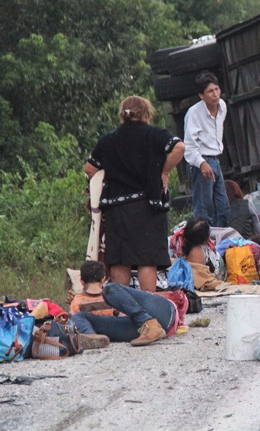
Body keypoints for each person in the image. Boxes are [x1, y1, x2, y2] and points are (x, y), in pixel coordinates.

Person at [85, 96, 184, 292]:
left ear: (123, 114)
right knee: (147, 260)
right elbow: (179, 147)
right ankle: (147, 311)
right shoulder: (154, 135)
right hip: (148, 206)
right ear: (146, 113)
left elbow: (90, 168)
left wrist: (105, 181)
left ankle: (121, 310)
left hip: (117, 208)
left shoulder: (108, 139)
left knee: (120, 260)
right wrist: (164, 172)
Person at [71, 261, 176, 347]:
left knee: (109, 289)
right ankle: (91, 338)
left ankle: (149, 323)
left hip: (161, 313)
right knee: (79, 317)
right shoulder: (115, 294)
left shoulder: (77, 300)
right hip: (145, 326)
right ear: (103, 279)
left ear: (82, 281)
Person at [184, 71, 231, 227]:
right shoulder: (194, 113)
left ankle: (219, 247)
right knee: (204, 212)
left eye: (216, 89)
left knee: (223, 209)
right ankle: (202, 247)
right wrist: (201, 163)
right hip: (200, 162)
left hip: (215, 160)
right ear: (201, 95)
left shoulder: (222, 106)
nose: (215, 94)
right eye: (210, 91)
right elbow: (189, 147)